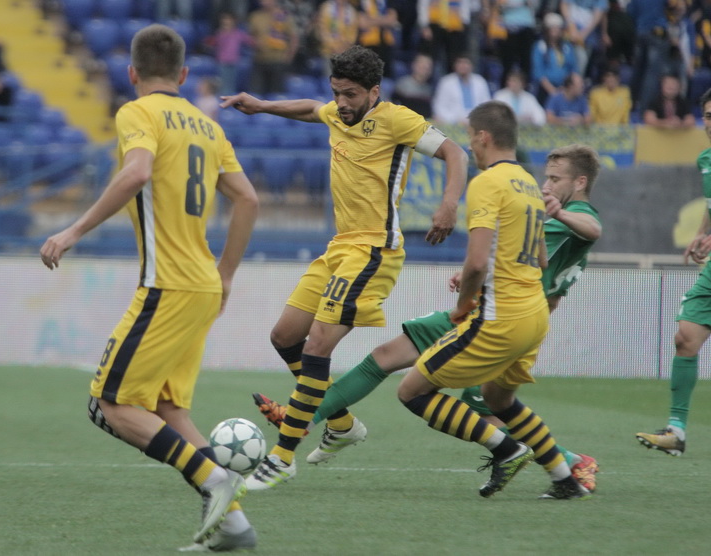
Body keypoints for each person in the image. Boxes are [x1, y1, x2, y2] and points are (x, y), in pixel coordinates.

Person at [254, 142, 603, 493]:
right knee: (386, 356)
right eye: (546, 177)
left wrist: (555, 216)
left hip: (503, 317)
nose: (546, 185)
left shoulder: (572, 216)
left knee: (484, 407)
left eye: (555, 179)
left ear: (579, 183)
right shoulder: (541, 212)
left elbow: (591, 228)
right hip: (489, 309)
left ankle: (568, 462)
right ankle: (304, 418)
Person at [38, 24, 259, 552]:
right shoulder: (208, 126)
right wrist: (227, 273)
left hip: (168, 284)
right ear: (184, 75)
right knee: (167, 408)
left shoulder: (138, 112)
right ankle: (233, 525)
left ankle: (214, 479)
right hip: (204, 284)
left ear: (132, 73)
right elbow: (248, 199)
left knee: (110, 403)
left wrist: (73, 231)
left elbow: (136, 173)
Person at [219, 45, 469, 490]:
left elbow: (456, 153)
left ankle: (282, 457)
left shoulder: (397, 120)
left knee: (318, 345)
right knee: (285, 337)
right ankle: (342, 424)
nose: (341, 103)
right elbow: (310, 109)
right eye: (337, 92)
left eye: (350, 94)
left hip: (374, 250)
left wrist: (449, 204)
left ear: (374, 91)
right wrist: (261, 105)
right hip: (339, 248)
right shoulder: (337, 112)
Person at [397, 101, 590, 499]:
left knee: (411, 391)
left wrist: (462, 305)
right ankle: (565, 480)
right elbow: (540, 259)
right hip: (535, 313)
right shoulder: (530, 184)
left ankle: (507, 449)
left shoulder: (487, 183)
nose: (470, 146)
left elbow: (476, 262)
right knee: (498, 398)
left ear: (484, 137)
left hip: (501, 316)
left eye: (471, 138)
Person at [636, 86, 711, 457]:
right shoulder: (706, 160)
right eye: (708, 116)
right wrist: (701, 233)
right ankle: (676, 431)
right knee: (686, 337)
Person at [248, 0, 298, 95]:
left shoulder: (284, 16)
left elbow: (294, 38)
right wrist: (254, 42)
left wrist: (289, 57)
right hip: (259, 60)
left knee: (276, 95)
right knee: (256, 94)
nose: (264, 2)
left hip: (278, 61)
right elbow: (250, 36)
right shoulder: (255, 16)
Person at [531, 12, 579, 105]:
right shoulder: (540, 46)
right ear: (547, 29)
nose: (555, 30)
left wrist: (567, 88)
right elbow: (538, 71)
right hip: (545, 88)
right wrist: (553, 91)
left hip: (565, 88)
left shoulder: (567, 47)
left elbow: (573, 68)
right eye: (552, 27)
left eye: (558, 28)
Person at [431, 54, 492, 125]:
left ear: (471, 65)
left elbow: (487, 105)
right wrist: (455, 121)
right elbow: (439, 106)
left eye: (466, 63)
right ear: (455, 66)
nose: (463, 66)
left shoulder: (480, 81)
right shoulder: (446, 82)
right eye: (460, 63)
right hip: (453, 123)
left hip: (477, 122)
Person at [204, 12, 254, 96]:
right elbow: (212, 43)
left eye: (229, 20)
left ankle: (230, 97)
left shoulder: (238, 33)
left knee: (231, 82)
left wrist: (256, 42)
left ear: (234, 21)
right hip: (222, 61)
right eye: (225, 20)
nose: (227, 22)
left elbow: (249, 41)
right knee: (223, 82)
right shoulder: (220, 33)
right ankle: (223, 97)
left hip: (234, 61)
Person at [391, 52, 434, 118]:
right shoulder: (403, 84)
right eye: (422, 66)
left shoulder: (428, 90)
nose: (425, 70)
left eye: (428, 67)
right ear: (414, 65)